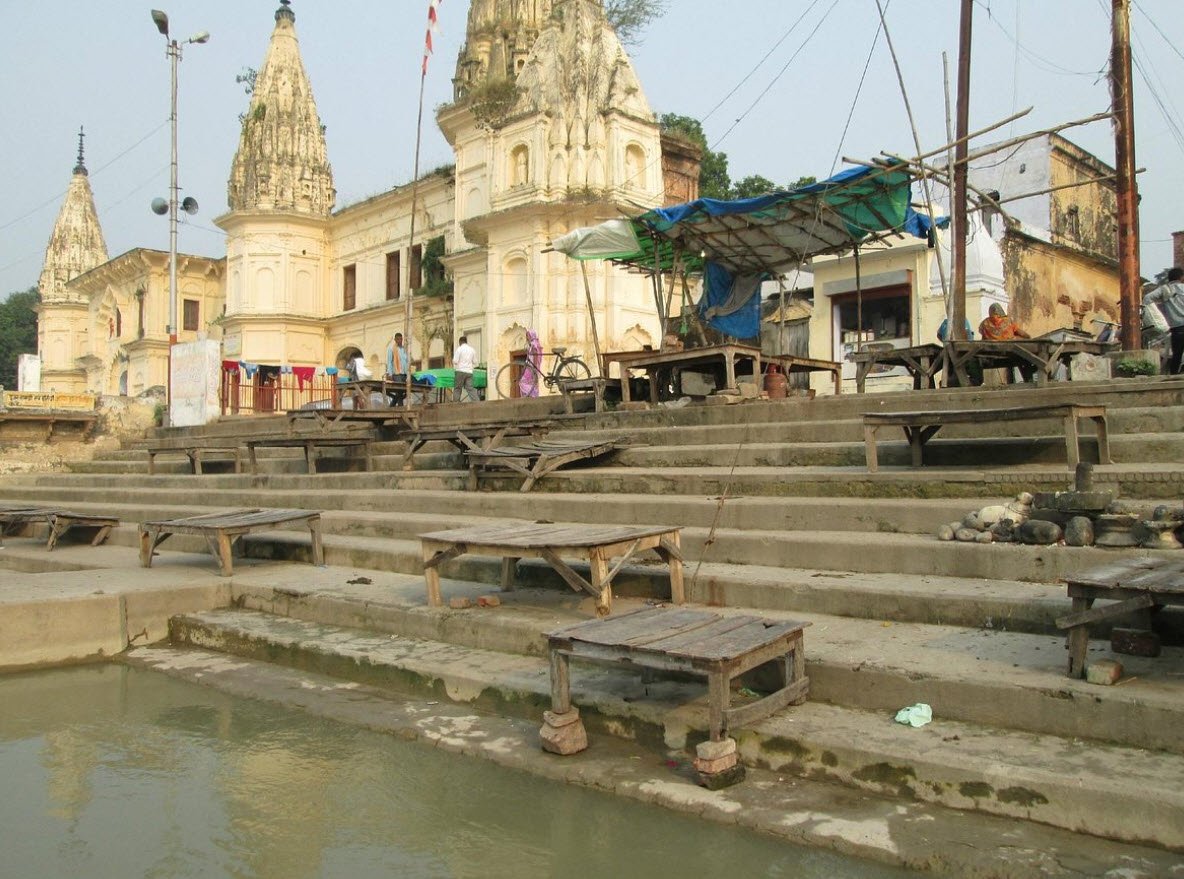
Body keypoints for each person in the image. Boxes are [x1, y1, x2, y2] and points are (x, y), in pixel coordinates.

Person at [978, 303, 1034, 382]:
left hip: (991, 353)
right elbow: (1021, 333)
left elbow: (983, 337)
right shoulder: (1007, 321)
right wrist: (1028, 337)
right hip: (1010, 352)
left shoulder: (984, 323)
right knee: (1024, 358)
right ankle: (1028, 379)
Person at [1144, 267, 1184, 374]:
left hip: (1176, 328)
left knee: (1177, 354)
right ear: (1181, 277)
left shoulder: (1164, 289)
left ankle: (1173, 377)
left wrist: (1157, 312)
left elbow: (1147, 298)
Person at [453, 335, 478, 402]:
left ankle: (455, 404)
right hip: (469, 372)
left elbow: (455, 361)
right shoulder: (472, 349)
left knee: (457, 388)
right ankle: (477, 402)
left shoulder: (459, 349)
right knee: (470, 388)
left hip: (460, 371)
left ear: (460, 342)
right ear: (466, 342)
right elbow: (475, 361)